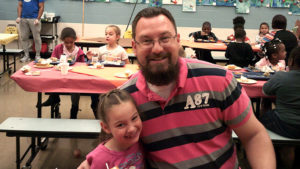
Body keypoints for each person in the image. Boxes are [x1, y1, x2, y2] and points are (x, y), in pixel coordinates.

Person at [78, 7, 275, 169]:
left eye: (165, 38)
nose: (157, 48)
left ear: (177, 40)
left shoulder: (218, 80)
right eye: (146, 40)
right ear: (134, 47)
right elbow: (111, 150)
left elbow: (254, 135)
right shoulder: (126, 100)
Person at [260, 46, 300, 169]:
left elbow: (265, 91)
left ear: (291, 61)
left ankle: (264, 150)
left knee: (261, 117)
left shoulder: (281, 77)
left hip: (285, 124)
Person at [86, 89, 144, 169]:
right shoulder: (99, 159)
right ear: (106, 127)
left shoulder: (139, 142)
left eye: (134, 118)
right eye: (120, 125)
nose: (131, 129)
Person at [86, 25, 130, 119]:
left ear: (117, 37)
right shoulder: (101, 49)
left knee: (111, 102)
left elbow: (128, 66)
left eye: (110, 34)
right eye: (106, 34)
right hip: (102, 77)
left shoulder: (121, 51)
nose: (107, 36)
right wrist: (90, 58)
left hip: (114, 79)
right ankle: (98, 118)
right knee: (94, 98)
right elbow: (95, 63)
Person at [41, 27, 85, 119]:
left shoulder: (79, 52)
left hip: (74, 78)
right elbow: (52, 60)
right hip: (60, 76)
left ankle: (74, 111)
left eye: (71, 42)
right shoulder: (58, 48)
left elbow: (83, 66)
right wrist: (51, 60)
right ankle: (54, 98)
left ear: (75, 40)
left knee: (76, 91)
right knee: (53, 80)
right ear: (62, 40)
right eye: (66, 42)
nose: (68, 44)